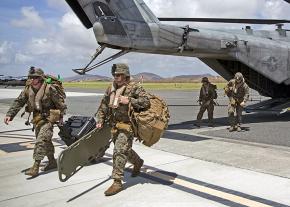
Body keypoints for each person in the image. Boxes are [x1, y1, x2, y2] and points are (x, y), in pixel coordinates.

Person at [95, 63, 150, 196]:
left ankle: (117, 182)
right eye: (115, 75)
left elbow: (146, 102)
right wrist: (100, 119)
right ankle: (138, 162)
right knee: (125, 149)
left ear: (126, 75)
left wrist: (129, 100)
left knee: (119, 151)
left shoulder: (134, 87)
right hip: (114, 125)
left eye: (119, 75)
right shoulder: (111, 88)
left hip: (128, 126)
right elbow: (103, 105)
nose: (116, 77)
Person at [3, 68, 67, 177]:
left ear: (41, 78)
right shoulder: (28, 89)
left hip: (49, 118)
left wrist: (61, 116)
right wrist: (10, 114)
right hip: (37, 118)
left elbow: (60, 104)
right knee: (46, 141)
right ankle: (52, 162)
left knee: (41, 140)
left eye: (35, 77)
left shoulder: (49, 89)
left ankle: (36, 166)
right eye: (31, 77)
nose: (32, 79)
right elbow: (19, 102)